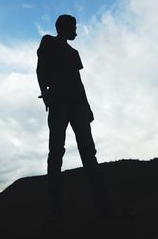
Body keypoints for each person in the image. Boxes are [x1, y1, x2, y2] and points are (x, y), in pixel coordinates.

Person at [36, 14, 111, 222]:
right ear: (64, 27)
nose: (76, 30)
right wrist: (46, 96)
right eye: (74, 27)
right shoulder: (48, 41)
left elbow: (78, 81)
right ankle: (56, 212)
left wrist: (87, 106)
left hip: (77, 104)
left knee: (88, 152)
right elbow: (40, 70)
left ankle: (104, 210)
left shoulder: (73, 52)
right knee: (56, 153)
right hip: (59, 102)